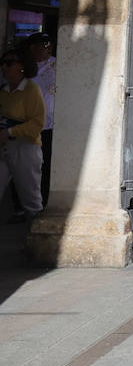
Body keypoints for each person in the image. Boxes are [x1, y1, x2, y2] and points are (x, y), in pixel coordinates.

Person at [0, 48, 46, 224]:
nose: (4, 67)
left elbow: (37, 123)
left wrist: (10, 132)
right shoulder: (3, 91)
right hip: (3, 147)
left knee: (31, 201)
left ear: (22, 67)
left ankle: (39, 243)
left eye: (9, 63)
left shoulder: (31, 90)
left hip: (24, 148)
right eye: (2, 63)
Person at [25, 33, 55, 205]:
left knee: (46, 164)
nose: (49, 47)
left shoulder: (58, 64)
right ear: (33, 48)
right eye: (44, 43)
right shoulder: (24, 67)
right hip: (27, 124)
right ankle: (23, 205)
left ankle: (43, 201)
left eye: (49, 43)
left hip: (50, 125)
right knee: (28, 167)